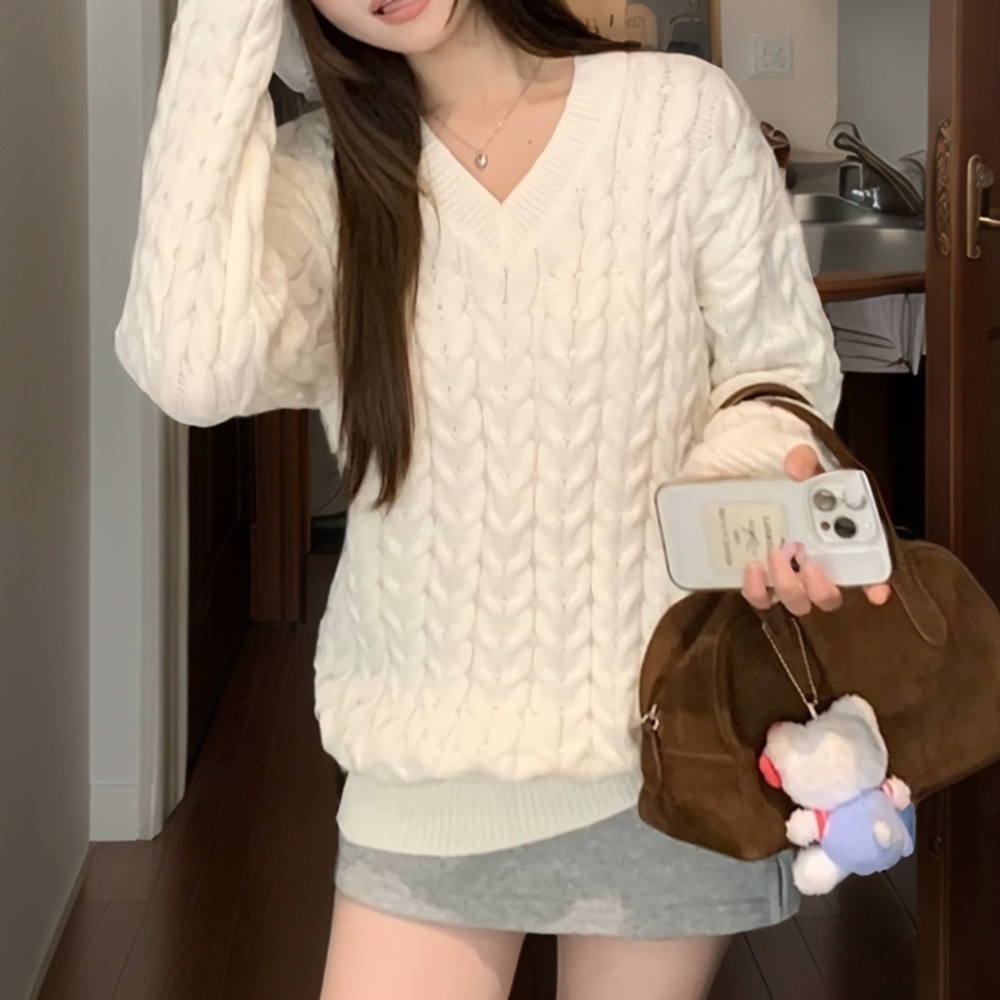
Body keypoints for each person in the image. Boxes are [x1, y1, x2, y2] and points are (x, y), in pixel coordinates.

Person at [115, 1, 891, 997]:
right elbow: (189, 365)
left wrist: (727, 505)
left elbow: (775, 366)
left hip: (664, 750)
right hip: (421, 769)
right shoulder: (328, 178)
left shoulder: (678, 115)